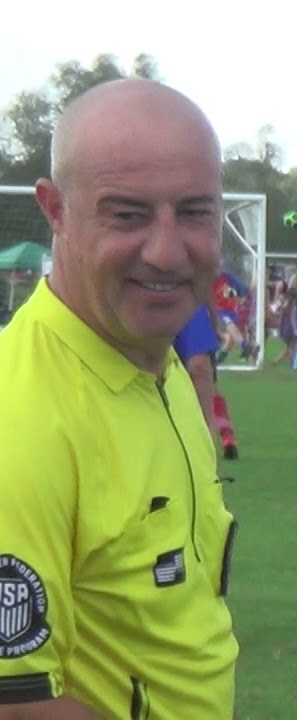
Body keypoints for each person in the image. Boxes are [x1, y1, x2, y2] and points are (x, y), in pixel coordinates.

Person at [0, 79, 237, 718]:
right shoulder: (18, 423)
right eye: (127, 214)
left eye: (194, 212)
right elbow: (16, 706)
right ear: (55, 209)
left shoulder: (158, 367)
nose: (166, 252)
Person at [174, 304, 240, 460]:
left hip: (188, 300)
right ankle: (224, 435)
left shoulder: (226, 281)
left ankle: (216, 437)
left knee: (201, 371)